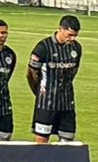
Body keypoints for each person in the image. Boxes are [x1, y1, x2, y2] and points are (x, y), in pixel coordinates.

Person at [27, 14, 85, 145]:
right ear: (60, 29)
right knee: (41, 144)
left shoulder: (76, 48)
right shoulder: (43, 47)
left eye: (75, 35)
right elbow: (31, 74)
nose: (72, 38)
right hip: (45, 104)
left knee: (67, 144)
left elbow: (74, 71)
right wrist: (39, 92)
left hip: (67, 104)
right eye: (69, 35)